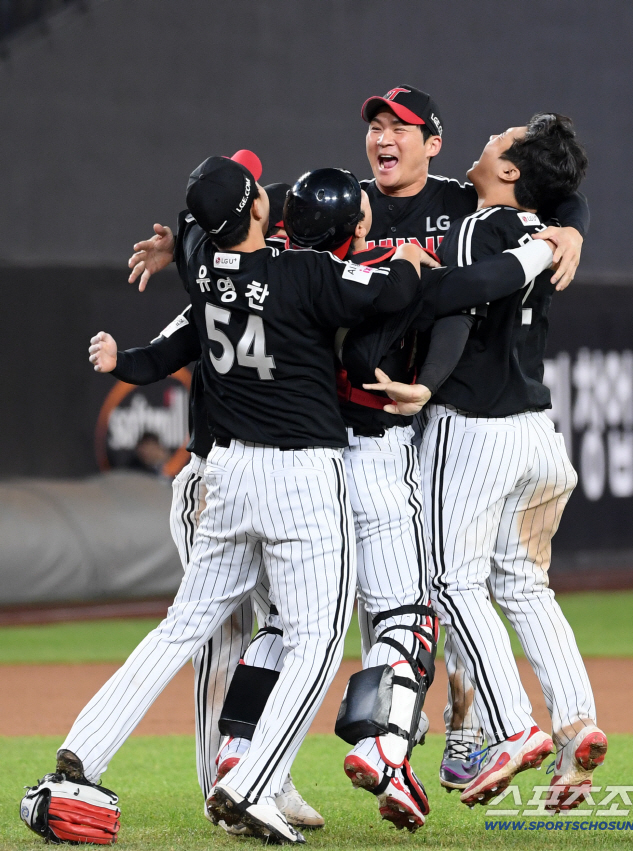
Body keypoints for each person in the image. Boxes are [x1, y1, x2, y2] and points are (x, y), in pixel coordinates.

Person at [25, 154, 423, 846]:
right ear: (258, 211)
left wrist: (170, 262)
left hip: (229, 474)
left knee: (180, 628)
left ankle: (83, 755)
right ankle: (250, 782)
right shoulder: (302, 272)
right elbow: (387, 294)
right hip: (300, 476)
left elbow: (199, 228)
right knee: (316, 637)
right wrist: (413, 262)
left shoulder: (203, 266)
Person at [370, 113, 606, 813]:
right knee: (526, 589)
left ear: (510, 171)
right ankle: (575, 726)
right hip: (539, 432)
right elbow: (565, 198)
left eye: (503, 140)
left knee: (450, 579)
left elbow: (450, 302)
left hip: (475, 429)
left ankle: (512, 727)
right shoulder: (546, 230)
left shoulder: (480, 227)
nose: (491, 138)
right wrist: (569, 229)